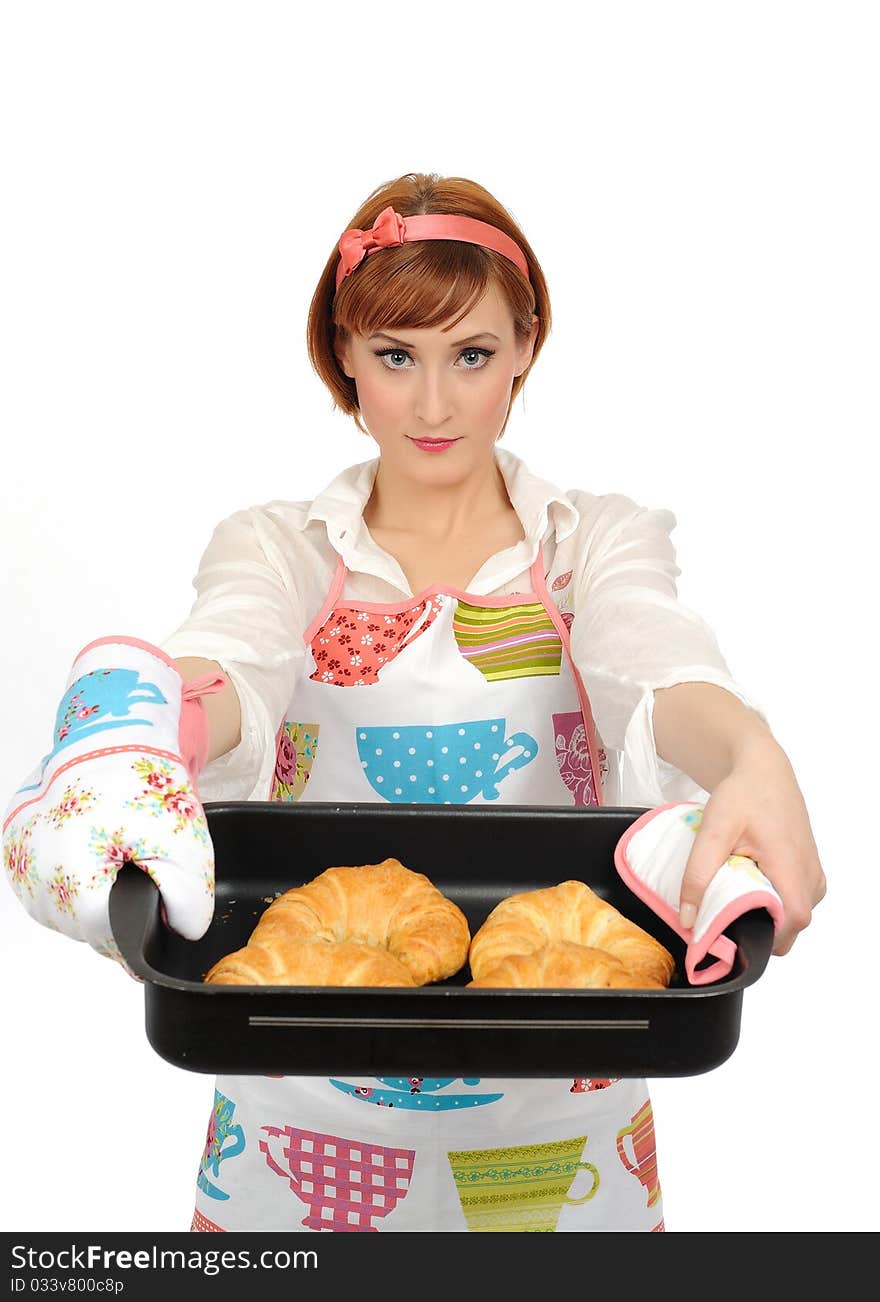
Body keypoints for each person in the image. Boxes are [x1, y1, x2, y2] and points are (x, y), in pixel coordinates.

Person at [3, 171, 825, 1233]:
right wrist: (144, 739)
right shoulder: (281, 548)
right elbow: (228, 655)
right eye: (395, 356)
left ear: (526, 347)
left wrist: (750, 755)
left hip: (562, 1085)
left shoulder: (592, 544)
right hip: (298, 1088)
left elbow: (653, 661)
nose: (433, 406)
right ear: (343, 352)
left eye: (470, 356)